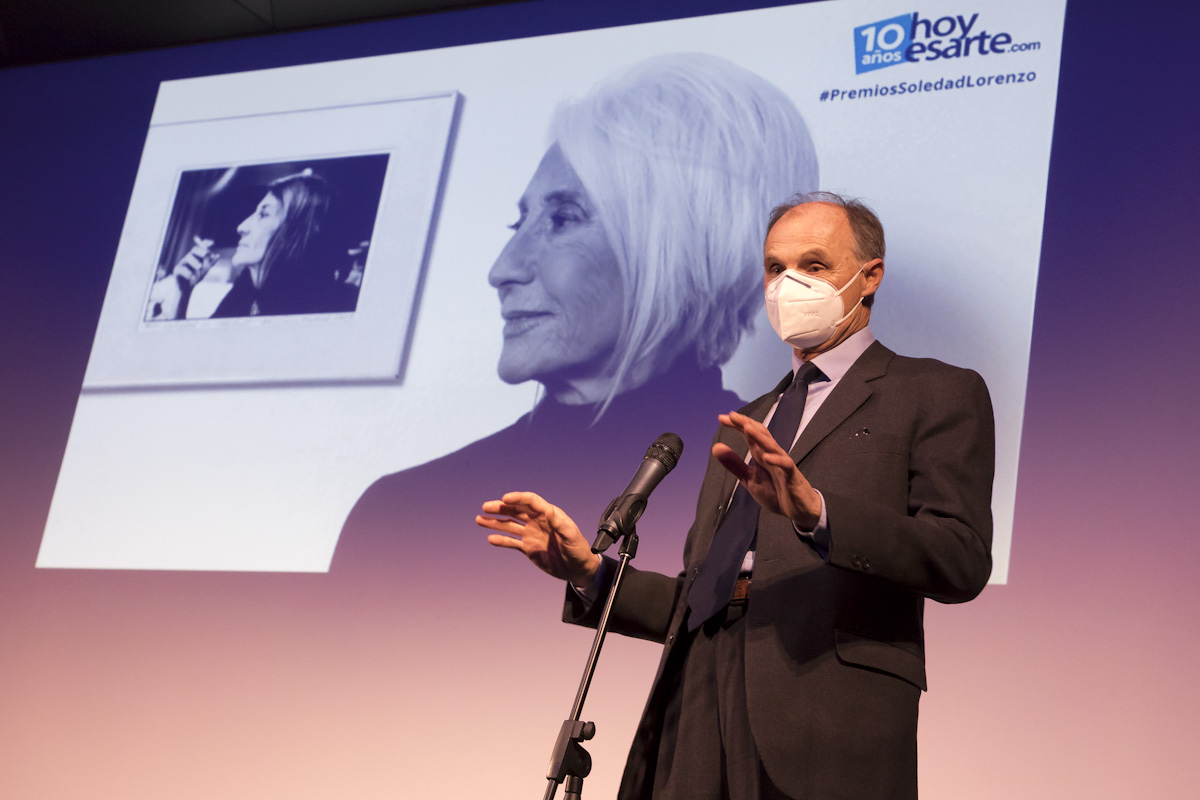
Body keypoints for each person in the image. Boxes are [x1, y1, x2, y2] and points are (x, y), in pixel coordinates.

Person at [477, 193, 995, 799]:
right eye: (775, 268)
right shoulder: (744, 423)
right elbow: (701, 598)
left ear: (870, 275)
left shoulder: (934, 392)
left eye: (814, 265)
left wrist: (819, 515)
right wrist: (590, 573)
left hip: (824, 708)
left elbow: (960, 556)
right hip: (695, 698)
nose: (788, 284)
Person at [333, 53, 818, 576]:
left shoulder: (779, 492)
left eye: (564, 218)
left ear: (683, 249)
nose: (502, 269)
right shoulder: (401, 511)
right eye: (518, 223)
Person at [145, 169, 358, 321]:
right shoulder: (248, 287)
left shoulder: (332, 307)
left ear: (299, 230)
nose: (241, 227)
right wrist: (182, 296)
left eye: (263, 214)